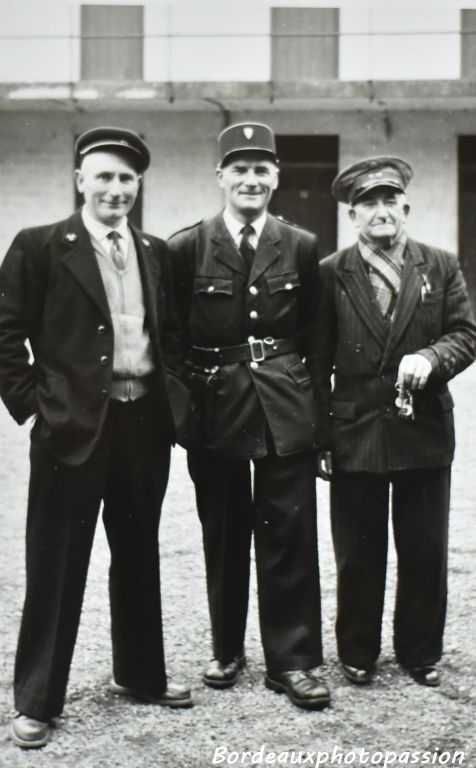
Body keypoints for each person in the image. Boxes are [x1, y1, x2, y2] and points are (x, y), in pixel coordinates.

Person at [0, 127, 192, 749]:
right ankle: (36, 699)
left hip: (142, 426)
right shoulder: (39, 246)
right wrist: (37, 407)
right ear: (80, 179)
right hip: (71, 430)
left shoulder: (155, 251)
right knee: (56, 565)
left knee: (137, 553)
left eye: (127, 178)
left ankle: (140, 674)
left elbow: (173, 337)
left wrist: (172, 408)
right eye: (104, 176)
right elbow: (4, 334)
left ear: (139, 185)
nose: (116, 189)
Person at [168, 122, 329, 710]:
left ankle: (293, 661)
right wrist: (188, 411)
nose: (252, 179)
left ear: (277, 178)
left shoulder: (302, 245)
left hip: (286, 405)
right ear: (221, 177)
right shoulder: (186, 246)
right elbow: (172, 337)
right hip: (216, 407)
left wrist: (314, 409)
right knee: (226, 531)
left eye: (263, 169)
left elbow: (315, 333)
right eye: (240, 168)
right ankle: (227, 649)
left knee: (288, 531)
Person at [309, 155, 476, 688]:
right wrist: (319, 436)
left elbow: (466, 335)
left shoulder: (440, 264)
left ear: (405, 206)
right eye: (367, 204)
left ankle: (420, 651)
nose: (380, 212)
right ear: (352, 216)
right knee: (357, 551)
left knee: (424, 546)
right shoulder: (331, 273)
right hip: (354, 427)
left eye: (388, 201)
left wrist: (432, 357)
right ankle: (357, 652)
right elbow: (315, 361)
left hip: (423, 427)